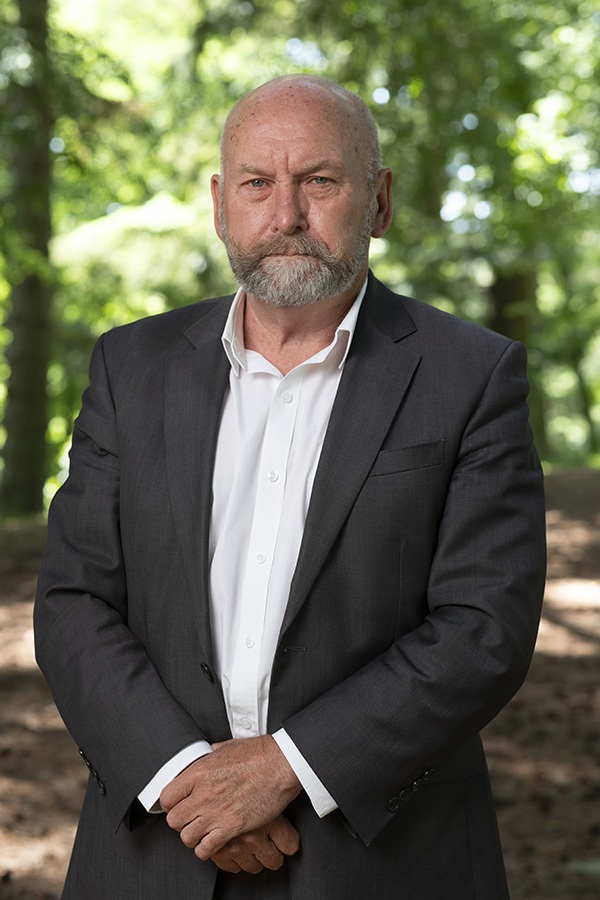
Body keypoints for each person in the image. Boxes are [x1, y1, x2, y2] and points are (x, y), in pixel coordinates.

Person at [35, 74, 546, 900]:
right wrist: (185, 785)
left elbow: (483, 624)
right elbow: (72, 600)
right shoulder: (130, 367)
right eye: (257, 184)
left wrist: (283, 769)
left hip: (382, 862)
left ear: (376, 201)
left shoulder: (472, 375)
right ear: (219, 204)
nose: (287, 216)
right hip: (151, 857)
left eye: (320, 181)